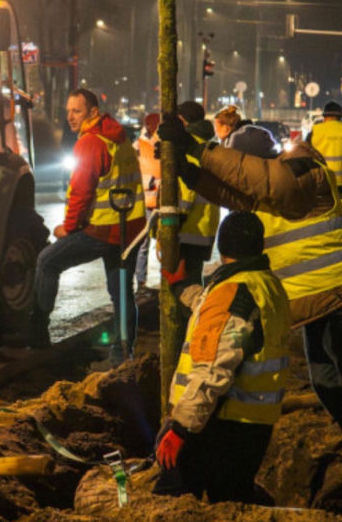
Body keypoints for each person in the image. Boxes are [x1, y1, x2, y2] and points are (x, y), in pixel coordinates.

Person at [158, 116, 342, 474]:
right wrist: (186, 170)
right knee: (328, 385)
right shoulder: (264, 192)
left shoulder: (303, 170)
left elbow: (261, 181)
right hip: (316, 305)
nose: (240, 179)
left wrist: (199, 149)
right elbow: (231, 190)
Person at [154, 211, 290, 502]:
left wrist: (181, 429)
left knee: (170, 503)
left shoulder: (233, 291)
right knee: (232, 502)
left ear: (221, 245)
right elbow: (223, 320)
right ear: (259, 245)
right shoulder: (265, 285)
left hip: (216, 423)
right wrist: (182, 287)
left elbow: (214, 366)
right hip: (252, 424)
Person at [29, 89, 145, 359]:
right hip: (129, 228)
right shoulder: (117, 136)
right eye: (68, 111)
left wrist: (68, 228)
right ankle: (123, 356)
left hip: (103, 229)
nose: (70, 117)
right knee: (122, 294)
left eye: (77, 111)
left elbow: (82, 192)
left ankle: (36, 334)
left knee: (47, 261)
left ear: (93, 112)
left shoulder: (90, 142)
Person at [162, 101, 219, 303]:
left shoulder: (188, 142)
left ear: (181, 120)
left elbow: (188, 186)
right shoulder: (209, 143)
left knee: (184, 288)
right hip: (205, 226)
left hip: (188, 227)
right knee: (194, 281)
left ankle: (191, 329)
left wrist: (176, 216)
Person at [134, 113, 161, 290]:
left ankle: (165, 280)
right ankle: (141, 282)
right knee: (143, 244)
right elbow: (134, 171)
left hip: (163, 201)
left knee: (164, 243)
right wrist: (150, 181)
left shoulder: (164, 144)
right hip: (147, 201)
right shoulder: (138, 146)